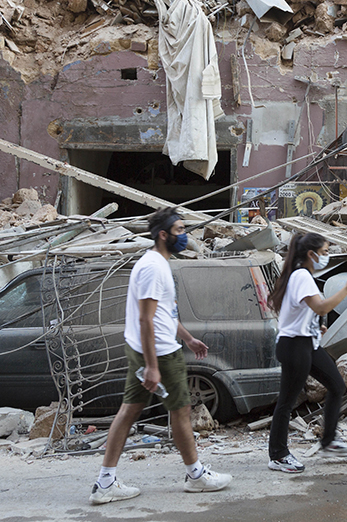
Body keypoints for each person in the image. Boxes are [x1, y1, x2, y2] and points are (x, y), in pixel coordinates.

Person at [90, 208, 232, 504]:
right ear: (163, 235)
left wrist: (188, 338)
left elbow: (165, 314)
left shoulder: (157, 263)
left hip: (151, 350)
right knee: (180, 411)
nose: (185, 236)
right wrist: (153, 366)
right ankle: (196, 476)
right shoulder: (154, 268)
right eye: (180, 230)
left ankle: (105, 482)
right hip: (159, 354)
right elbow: (146, 320)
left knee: (129, 411)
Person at [266, 232, 347, 473]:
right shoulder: (301, 275)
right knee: (286, 402)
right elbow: (320, 305)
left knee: (337, 385)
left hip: (307, 343)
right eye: (325, 252)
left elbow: (305, 310)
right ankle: (278, 455)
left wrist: (314, 324)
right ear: (311, 254)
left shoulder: (302, 275)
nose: (327, 256)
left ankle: (328, 440)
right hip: (294, 346)